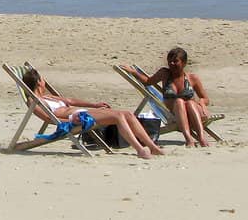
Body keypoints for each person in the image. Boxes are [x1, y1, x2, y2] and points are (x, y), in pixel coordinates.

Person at [20, 66, 164, 159]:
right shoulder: (34, 101)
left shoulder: (47, 96)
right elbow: (48, 118)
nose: (45, 82)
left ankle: (152, 147)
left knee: (128, 114)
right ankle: (139, 149)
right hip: (78, 118)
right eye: (43, 80)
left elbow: (70, 100)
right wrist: (71, 122)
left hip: (83, 112)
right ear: (38, 82)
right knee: (118, 116)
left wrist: (94, 104)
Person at [121, 47, 213, 147]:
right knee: (179, 102)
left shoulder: (192, 78)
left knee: (190, 103)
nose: (171, 64)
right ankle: (188, 139)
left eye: (175, 61)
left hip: (195, 112)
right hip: (176, 112)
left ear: (184, 63)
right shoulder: (164, 73)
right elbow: (148, 81)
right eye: (170, 61)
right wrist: (133, 72)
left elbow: (205, 98)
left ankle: (201, 138)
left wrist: (202, 104)